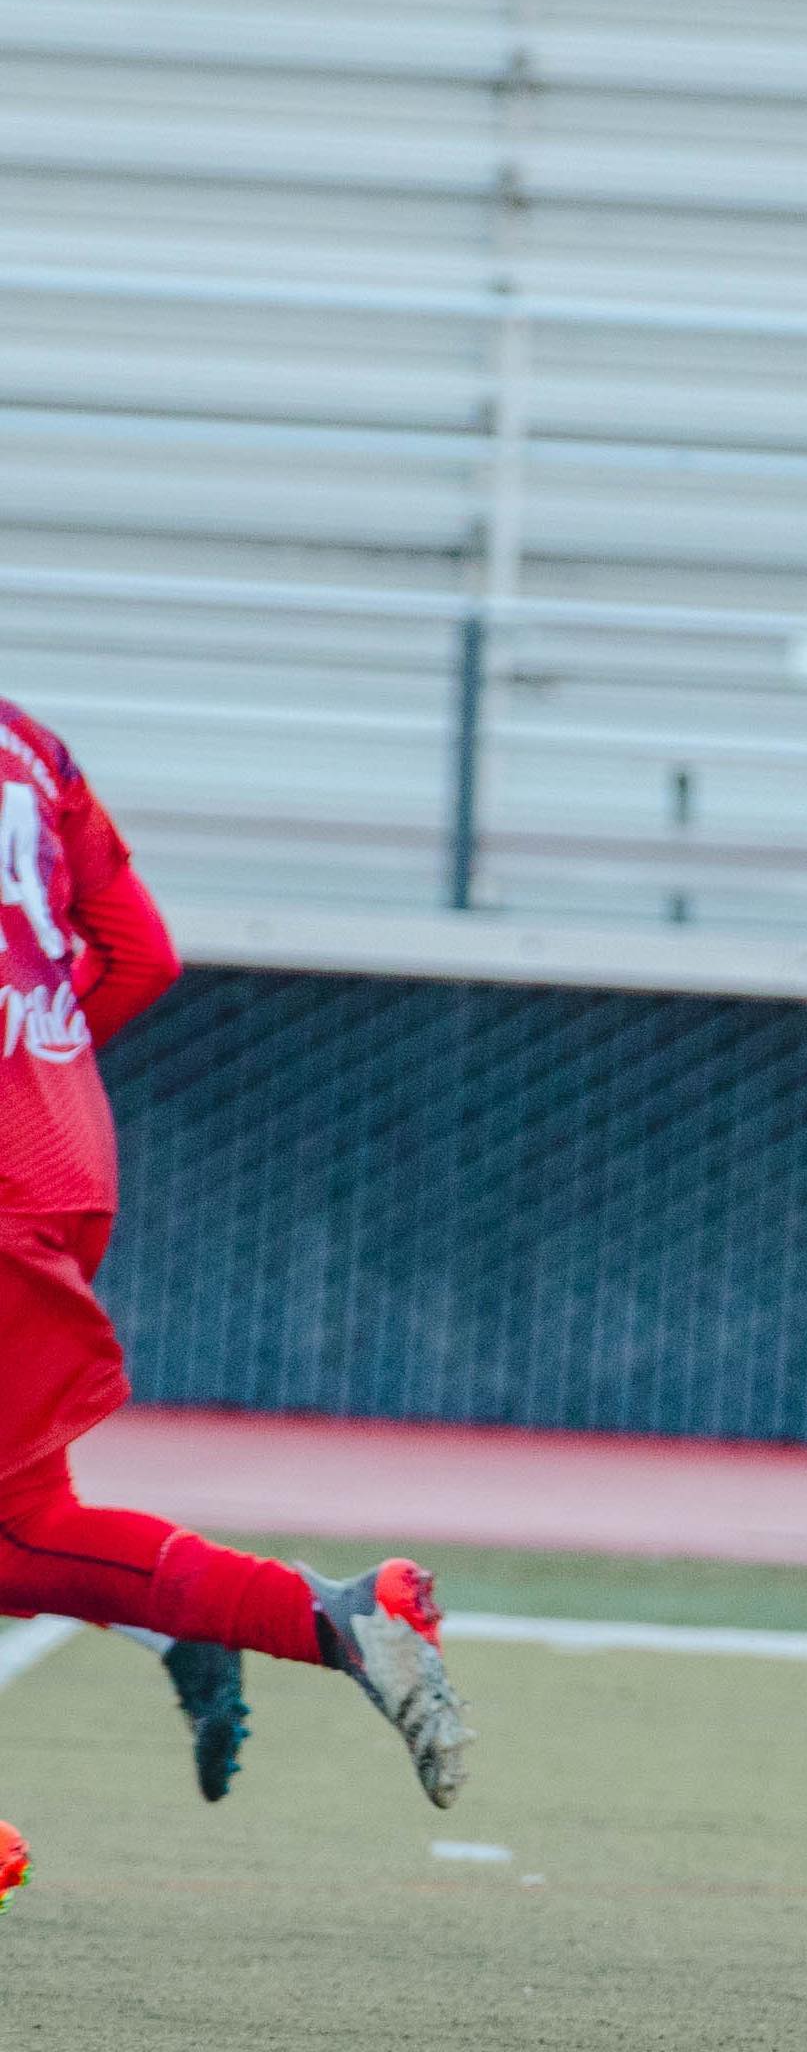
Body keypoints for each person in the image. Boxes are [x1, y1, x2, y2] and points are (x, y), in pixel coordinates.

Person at [0, 699, 471, 1805]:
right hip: (57, 1157)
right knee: (20, 1534)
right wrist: (34, 1072)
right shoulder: (28, 741)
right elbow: (140, 952)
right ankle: (324, 1618)